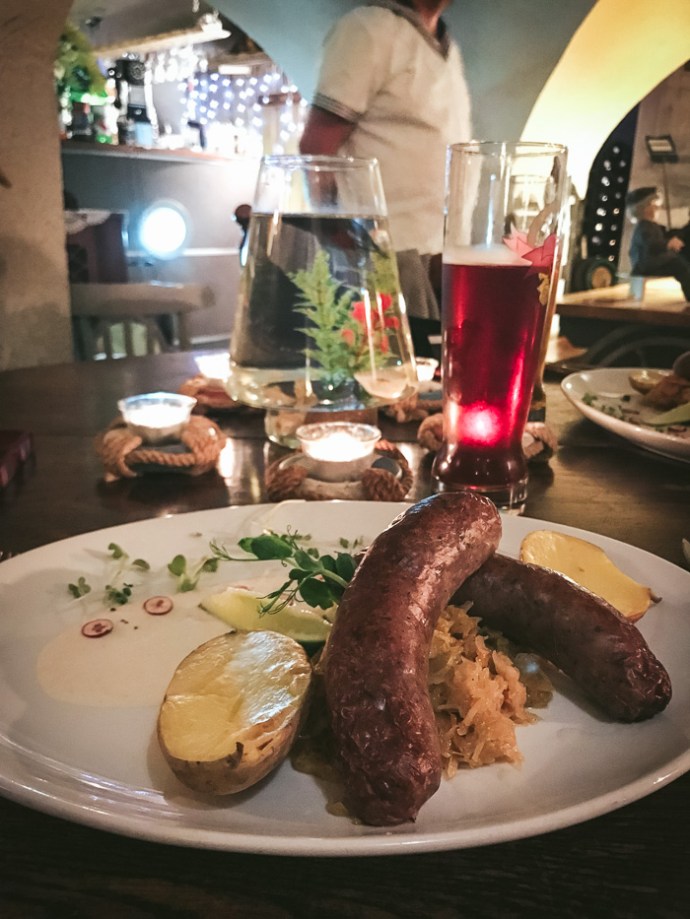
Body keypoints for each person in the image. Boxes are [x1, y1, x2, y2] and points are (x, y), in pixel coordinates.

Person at [299, 0, 472, 345]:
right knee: (384, 383)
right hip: (385, 258)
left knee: (427, 387)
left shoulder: (446, 45)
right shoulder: (369, 28)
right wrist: (343, 244)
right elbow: (317, 147)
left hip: (441, 259)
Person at [627, 186, 690, 301]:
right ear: (644, 208)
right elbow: (651, 244)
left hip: (650, 261)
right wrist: (668, 243)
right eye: (655, 205)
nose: (658, 208)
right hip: (647, 263)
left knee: (680, 262)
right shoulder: (645, 227)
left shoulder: (650, 226)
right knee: (680, 266)